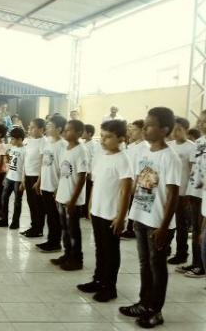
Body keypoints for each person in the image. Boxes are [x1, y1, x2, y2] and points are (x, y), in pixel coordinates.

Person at [119, 107, 180, 329]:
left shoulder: (170, 157)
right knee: (145, 264)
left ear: (164, 130)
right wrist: (132, 214)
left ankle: (156, 311)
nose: (145, 128)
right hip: (141, 216)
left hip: (158, 222)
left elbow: (173, 195)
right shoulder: (143, 152)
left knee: (157, 266)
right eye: (144, 123)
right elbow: (139, 185)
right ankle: (144, 303)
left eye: (151, 125)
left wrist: (164, 227)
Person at [77, 120, 132, 302]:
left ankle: (110, 287)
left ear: (121, 139)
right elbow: (96, 184)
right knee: (100, 249)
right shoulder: (101, 156)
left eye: (109, 137)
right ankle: (98, 280)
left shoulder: (123, 159)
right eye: (103, 136)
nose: (104, 140)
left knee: (110, 251)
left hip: (111, 214)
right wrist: (91, 206)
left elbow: (126, 190)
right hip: (98, 211)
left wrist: (121, 216)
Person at [50, 120, 88, 271]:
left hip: (73, 199)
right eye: (64, 130)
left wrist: (73, 199)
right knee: (64, 229)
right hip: (62, 195)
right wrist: (58, 190)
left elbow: (82, 176)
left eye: (69, 130)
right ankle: (67, 254)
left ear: (79, 133)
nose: (65, 132)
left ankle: (76, 259)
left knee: (73, 230)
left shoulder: (81, 150)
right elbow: (63, 173)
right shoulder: (66, 148)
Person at [166, 118, 197, 270]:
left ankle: (181, 253)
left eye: (179, 129)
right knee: (166, 221)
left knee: (181, 224)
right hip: (168, 190)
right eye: (173, 129)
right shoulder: (169, 146)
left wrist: (188, 194)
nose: (175, 133)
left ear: (186, 129)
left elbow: (192, 173)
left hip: (183, 192)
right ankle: (166, 248)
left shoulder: (192, 148)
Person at [34, 115, 68, 249]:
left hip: (55, 186)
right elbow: (44, 163)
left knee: (55, 216)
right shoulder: (48, 142)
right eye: (47, 126)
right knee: (49, 214)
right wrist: (39, 181)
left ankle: (55, 242)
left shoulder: (63, 145)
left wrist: (59, 187)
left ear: (59, 129)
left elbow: (64, 168)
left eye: (50, 126)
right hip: (45, 184)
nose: (47, 128)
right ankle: (51, 239)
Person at [181, 110, 206, 277]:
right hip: (194, 190)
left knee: (202, 231)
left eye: (204, 121)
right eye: (200, 121)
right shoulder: (199, 141)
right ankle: (196, 262)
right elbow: (193, 166)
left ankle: (202, 266)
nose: (200, 124)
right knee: (196, 230)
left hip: (204, 193)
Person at [121, 120, 149, 239]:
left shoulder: (145, 147)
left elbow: (142, 168)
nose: (130, 132)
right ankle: (129, 227)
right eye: (130, 129)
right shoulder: (132, 146)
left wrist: (136, 183)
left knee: (135, 204)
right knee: (129, 204)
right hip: (129, 178)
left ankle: (132, 229)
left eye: (134, 129)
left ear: (142, 131)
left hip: (138, 181)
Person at [0, 127, 25, 229]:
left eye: (13, 139)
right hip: (10, 177)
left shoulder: (25, 150)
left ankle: (15, 222)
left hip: (18, 179)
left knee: (17, 201)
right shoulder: (12, 148)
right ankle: (4, 219)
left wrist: (23, 182)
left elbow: (25, 167)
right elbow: (9, 163)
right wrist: (6, 177)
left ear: (20, 139)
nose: (11, 141)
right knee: (4, 198)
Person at [21, 119, 46, 237]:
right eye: (29, 127)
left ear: (41, 129)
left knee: (38, 205)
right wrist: (23, 177)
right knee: (31, 203)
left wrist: (39, 181)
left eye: (33, 127)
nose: (29, 129)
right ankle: (33, 226)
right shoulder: (28, 141)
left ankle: (38, 229)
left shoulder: (43, 142)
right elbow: (26, 160)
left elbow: (42, 163)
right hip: (28, 175)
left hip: (37, 177)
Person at [81, 124, 100, 219]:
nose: (82, 133)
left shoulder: (93, 145)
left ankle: (86, 211)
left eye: (83, 131)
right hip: (84, 171)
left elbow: (93, 160)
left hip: (89, 172)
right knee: (83, 191)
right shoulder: (83, 143)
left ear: (89, 133)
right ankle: (83, 210)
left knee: (87, 192)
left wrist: (90, 172)